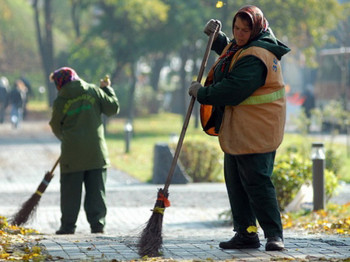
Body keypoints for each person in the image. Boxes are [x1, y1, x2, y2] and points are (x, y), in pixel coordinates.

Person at [189, 5, 290, 251]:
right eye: (236, 28)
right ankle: (246, 233)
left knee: (257, 182)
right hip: (239, 129)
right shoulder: (246, 46)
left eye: (245, 30)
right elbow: (231, 53)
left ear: (256, 29)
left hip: (256, 131)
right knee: (236, 182)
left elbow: (233, 89)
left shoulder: (257, 56)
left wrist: (202, 93)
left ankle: (274, 235)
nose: (240, 34)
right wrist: (217, 38)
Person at [49, 67, 120, 234]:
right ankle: (98, 225)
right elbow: (112, 108)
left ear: (60, 83)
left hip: (72, 153)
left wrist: (66, 138)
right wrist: (106, 89)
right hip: (96, 151)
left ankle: (67, 226)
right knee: (96, 191)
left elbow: (55, 125)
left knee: (70, 192)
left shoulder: (61, 100)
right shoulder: (94, 91)